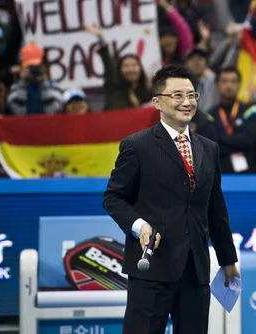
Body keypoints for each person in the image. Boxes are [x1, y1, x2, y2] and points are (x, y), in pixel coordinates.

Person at [103, 64, 240, 334]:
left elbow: (216, 209)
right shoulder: (137, 145)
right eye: (177, 95)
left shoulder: (209, 148)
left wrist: (228, 260)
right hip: (152, 265)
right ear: (157, 102)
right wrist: (139, 225)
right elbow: (113, 197)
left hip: (196, 270)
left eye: (192, 95)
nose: (186, 102)